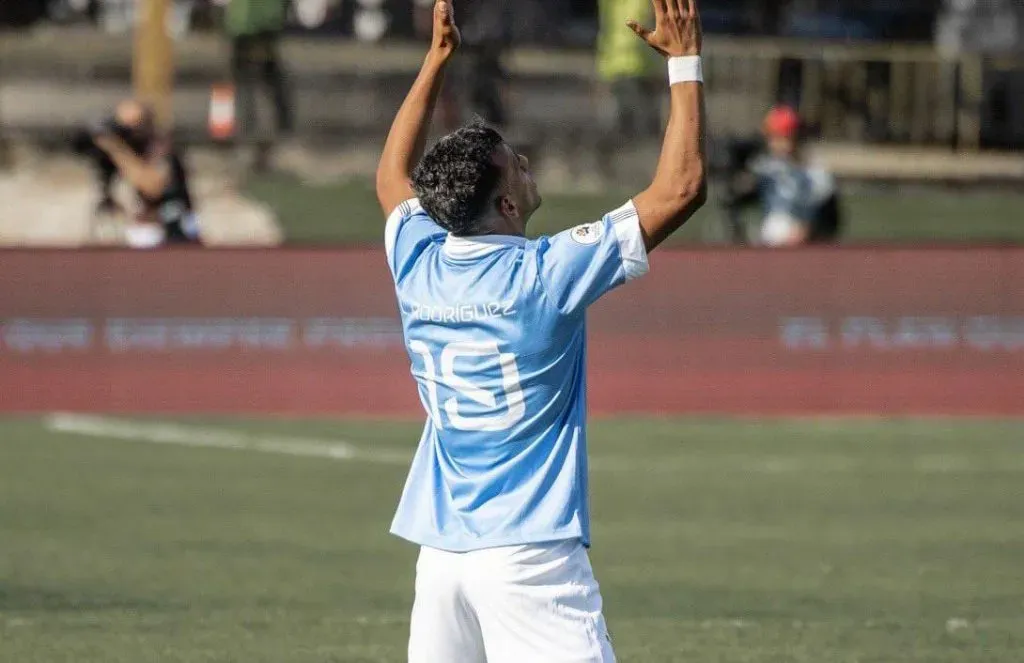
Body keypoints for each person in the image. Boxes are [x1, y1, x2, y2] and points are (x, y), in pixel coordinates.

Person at [376, 1, 706, 660]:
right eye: (514, 163)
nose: (525, 161)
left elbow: (390, 176)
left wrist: (435, 59)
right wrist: (686, 66)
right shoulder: (544, 274)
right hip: (530, 558)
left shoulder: (416, 259)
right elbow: (682, 188)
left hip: (441, 558)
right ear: (505, 204)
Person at [82, 99, 201, 248]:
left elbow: (151, 186)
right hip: (141, 228)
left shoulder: (159, 149)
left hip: (172, 229)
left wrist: (115, 147)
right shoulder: (128, 153)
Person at [720, 105, 841, 247]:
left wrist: (808, 230)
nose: (779, 144)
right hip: (769, 244)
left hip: (804, 246)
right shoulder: (764, 166)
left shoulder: (816, 172)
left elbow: (829, 219)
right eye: (774, 137)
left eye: (785, 137)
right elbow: (736, 196)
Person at [225, 0, 293, 143]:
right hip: (258, 24)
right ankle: (280, 123)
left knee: (251, 79)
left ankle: (252, 124)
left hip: (248, 25)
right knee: (268, 78)